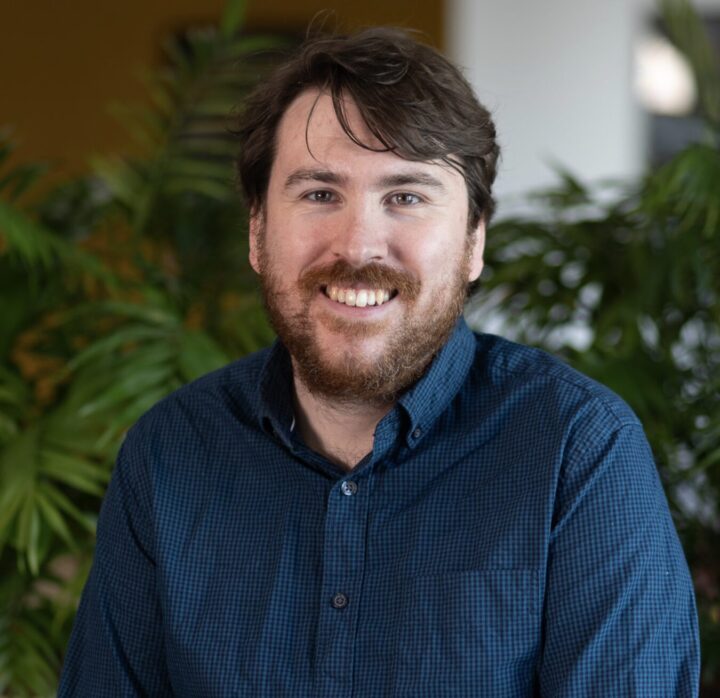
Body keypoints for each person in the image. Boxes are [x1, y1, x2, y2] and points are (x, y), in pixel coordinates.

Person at [58, 28, 699, 697]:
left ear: (474, 240)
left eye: (407, 196)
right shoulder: (168, 456)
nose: (359, 244)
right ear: (256, 232)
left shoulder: (579, 454)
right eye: (318, 194)